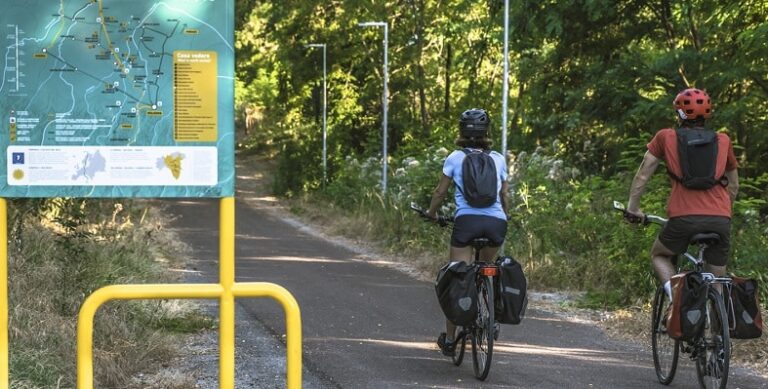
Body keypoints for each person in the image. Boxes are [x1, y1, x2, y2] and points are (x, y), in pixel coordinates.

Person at [625, 88, 739, 299]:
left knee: (660, 255)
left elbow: (643, 174)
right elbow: (733, 186)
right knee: (717, 282)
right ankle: (718, 329)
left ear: (679, 114)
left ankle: (678, 301)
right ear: (708, 113)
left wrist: (633, 208)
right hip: (720, 219)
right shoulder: (723, 140)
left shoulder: (665, 137)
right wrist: (721, 212)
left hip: (682, 217)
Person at [425, 108, 509, 356]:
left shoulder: (454, 158)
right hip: (496, 224)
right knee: (488, 268)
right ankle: (491, 318)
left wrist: (431, 214)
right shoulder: (498, 159)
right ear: (487, 133)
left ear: (461, 131)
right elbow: (504, 194)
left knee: (457, 277)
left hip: (466, 223)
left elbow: (440, 192)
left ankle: (450, 340)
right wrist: (505, 214)